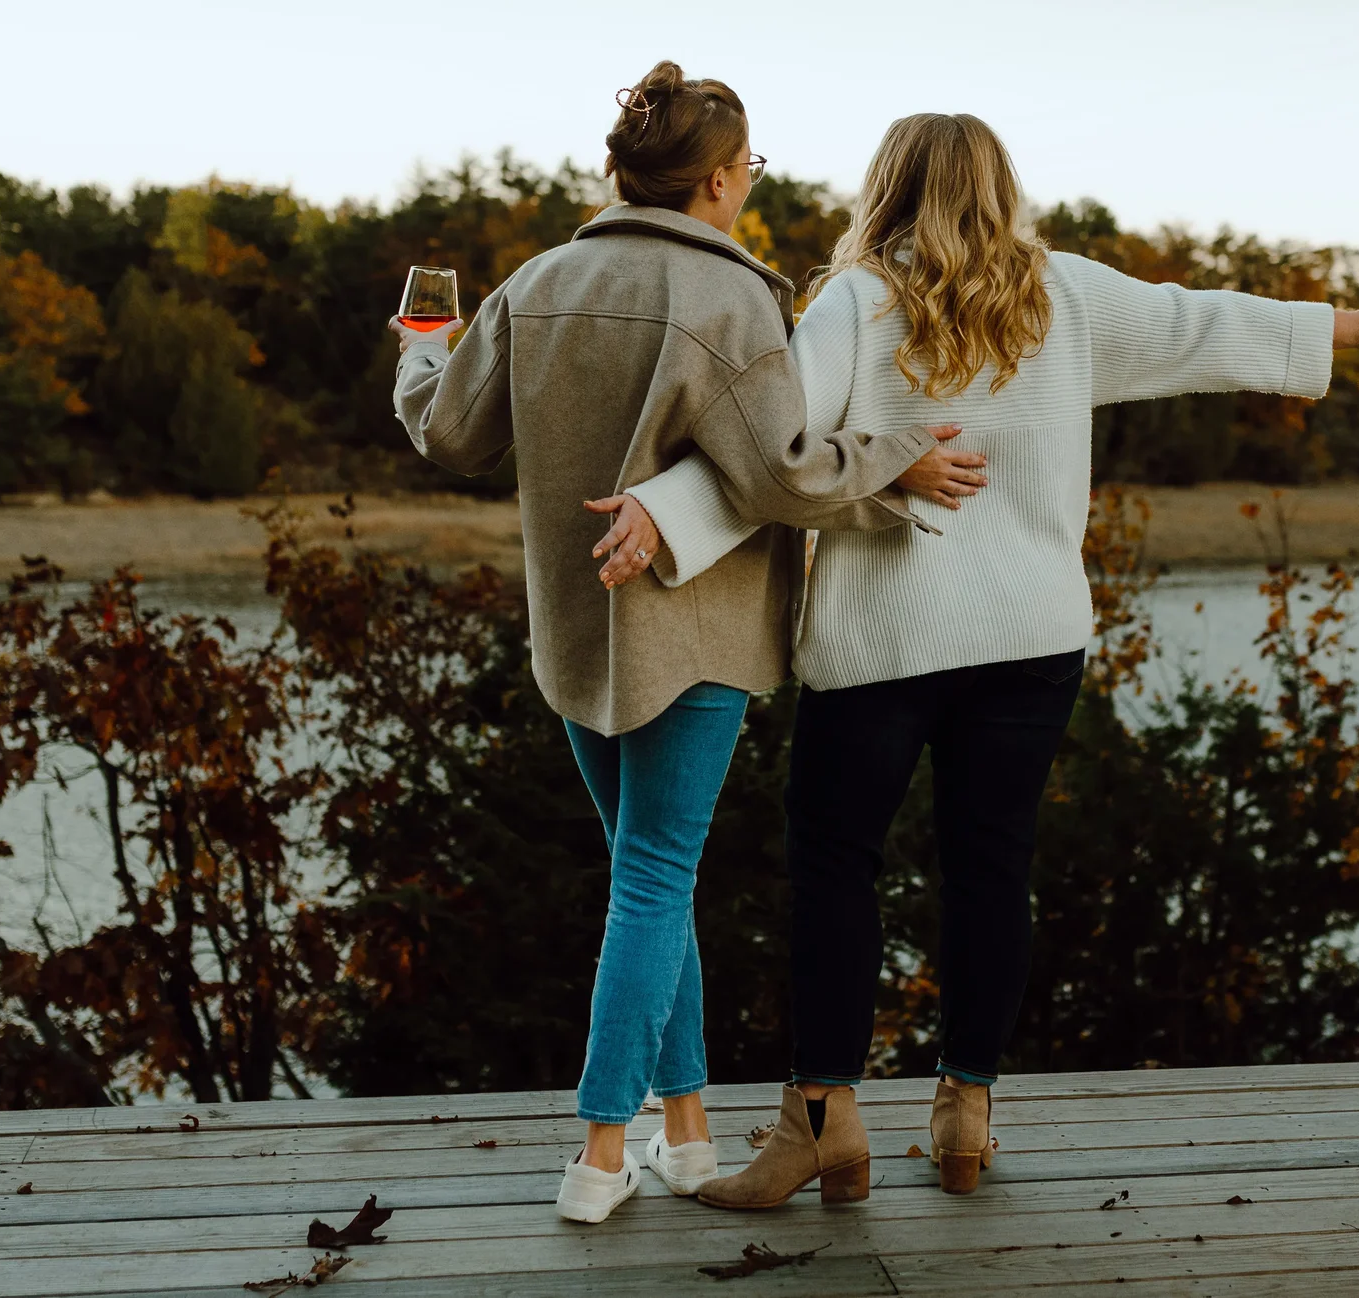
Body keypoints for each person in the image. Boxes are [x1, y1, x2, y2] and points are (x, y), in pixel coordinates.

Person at [593, 112, 1359, 1207]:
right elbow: (1203, 327)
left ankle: (822, 1118)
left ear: (884, 188)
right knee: (993, 865)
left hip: (885, 640)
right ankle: (964, 1106)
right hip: (1032, 639)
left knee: (837, 865)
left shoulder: (854, 300)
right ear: (1000, 187)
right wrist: (1355, 328)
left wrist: (659, 514)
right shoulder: (1062, 295)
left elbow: (769, 450)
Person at [393, 65, 989, 1225]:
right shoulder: (734, 303)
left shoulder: (538, 282)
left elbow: (449, 429)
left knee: (645, 881)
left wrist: (422, 345)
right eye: (748, 171)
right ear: (719, 180)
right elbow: (781, 474)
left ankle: (685, 1128)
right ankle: (602, 1151)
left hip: (573, 631)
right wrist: (892, 461)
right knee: (655, 880)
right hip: (698, 631)